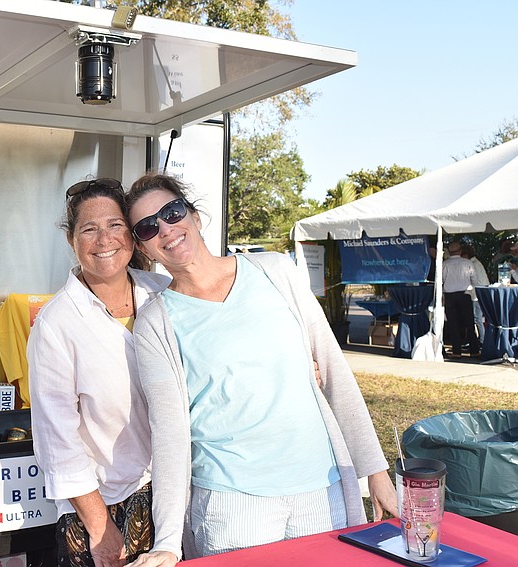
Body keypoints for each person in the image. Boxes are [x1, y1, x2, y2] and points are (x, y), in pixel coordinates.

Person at [123, 174, 398, 566]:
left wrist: (376, 472)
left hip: (323, 491)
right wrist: (167, 541)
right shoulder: (155, 322)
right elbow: (170, 434)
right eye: (148, 227)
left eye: (172, 212)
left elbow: (335, 372)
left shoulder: (275, 271)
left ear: (195, 215)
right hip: (232, 508)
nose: (166, 229)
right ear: (143, 246)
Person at [28, 177, 171, 567]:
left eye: (114, 225)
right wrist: (100, 527)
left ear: (133, 233)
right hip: (105, 507)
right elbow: (57, 438)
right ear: (71, 241)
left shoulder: (163, 292)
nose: (104, 239)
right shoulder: (56, 324)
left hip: (174, 496)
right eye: (89, 229)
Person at [442, 241, 481, 358]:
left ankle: (456, 351)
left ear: (449, 252)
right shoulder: (467, 263)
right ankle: (474, 350)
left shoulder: (445, 264)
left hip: (450, 295)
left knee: (453, 324)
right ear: (460, 251)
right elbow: (475, 279)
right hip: (465, 294)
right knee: (469, 323)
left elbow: (441, 280)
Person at [460, 243, 490, 344]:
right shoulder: (477, 262)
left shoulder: (472, 264)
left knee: (477, 319)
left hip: (476, 294)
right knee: (478, 318)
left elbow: (473, 281)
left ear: (466, 255)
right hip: (481, 293)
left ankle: (482, 340)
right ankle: (479, 340)